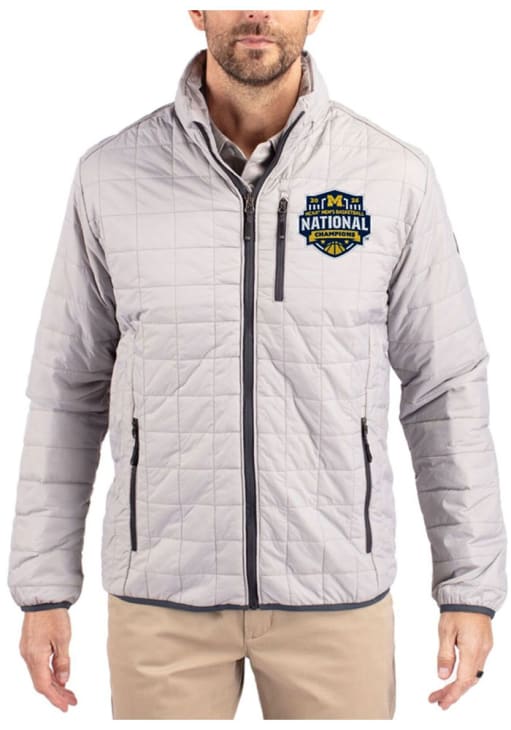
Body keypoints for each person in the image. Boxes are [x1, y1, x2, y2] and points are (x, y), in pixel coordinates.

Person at [7, 9, 507, 720]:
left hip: (336, 596)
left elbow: (445, 387)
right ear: (196, 9)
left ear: (315, 11)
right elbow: (69, 389)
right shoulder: (111, 177)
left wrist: (469, 588)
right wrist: (43, 590)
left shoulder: (394, 177)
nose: (256, 12)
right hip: (162, 603)